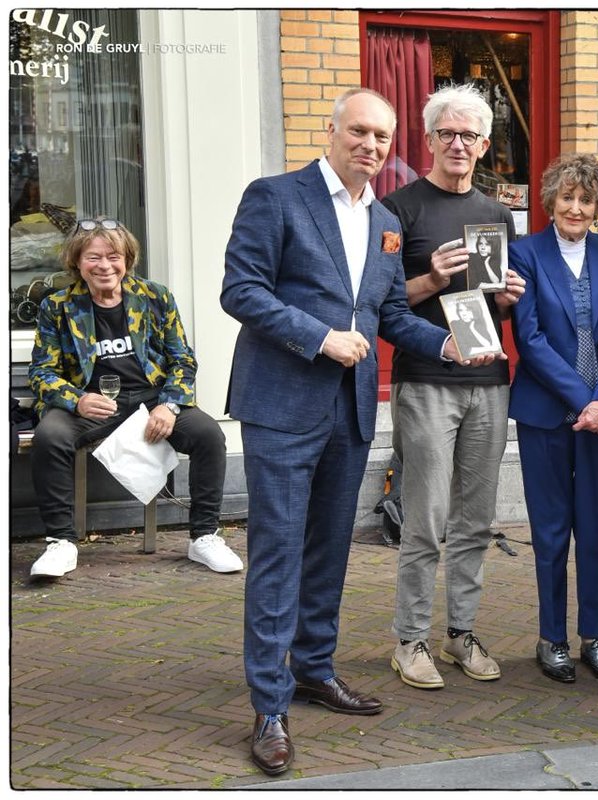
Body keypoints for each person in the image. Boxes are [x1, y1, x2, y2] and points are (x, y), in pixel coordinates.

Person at [222, 88, 480, 776]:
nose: (371, 145)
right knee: (277, 553)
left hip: (351, 411)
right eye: (360, 132)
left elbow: (390, 312)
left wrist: (445, 347)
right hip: (281, 404)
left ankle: (312, 667)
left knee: (330, 548)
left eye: (383, 137)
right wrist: (321, 338)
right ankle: (269, 703)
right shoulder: (275, 196)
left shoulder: (387, 220)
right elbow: (241, 290)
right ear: (332, 131)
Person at [379, 83, 525, 692]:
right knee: (426, 517)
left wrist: (511, 302)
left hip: (489, 381)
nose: (459, 144)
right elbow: (384, 307)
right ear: (430, 140)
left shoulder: (496, 214)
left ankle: (460, 631)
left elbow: (493, 310)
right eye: (448, 134)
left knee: (475, 518)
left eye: (470, 135)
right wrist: (429, 278)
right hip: (429, 383)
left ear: (485, 144)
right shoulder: (397, 209)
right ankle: (409, 640)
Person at [27, 218, 240, 579]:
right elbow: (42, 372)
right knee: (50, 437)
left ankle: (204, 536)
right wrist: (77, 399)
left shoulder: (155, 297)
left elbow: (182, 360)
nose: (105, 266)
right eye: (94, 257)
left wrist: (169, 404)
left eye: (114, 256)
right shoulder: (57, 306)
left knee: (208, 435)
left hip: (151, 397)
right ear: (77, 261)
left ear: (128, 259)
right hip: (93, 402)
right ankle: (60, 543)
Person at [508, 154, 598, 684]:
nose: (576, 207)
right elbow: (529, 339)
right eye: (567, 198)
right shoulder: (525, 253)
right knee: (552, 530)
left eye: (587, 199)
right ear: (551, 202)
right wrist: (585, 399)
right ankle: (552, 637)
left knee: (595, 527)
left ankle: (595, 636)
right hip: (545, 414)